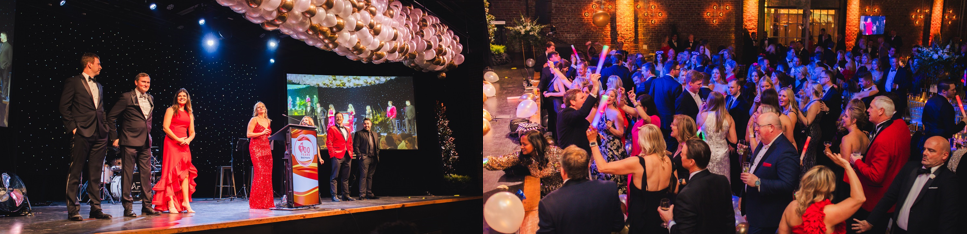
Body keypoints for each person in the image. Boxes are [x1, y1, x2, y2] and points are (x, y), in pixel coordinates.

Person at [851, 136, 960, 234]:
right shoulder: (910, 168)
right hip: (898, 230)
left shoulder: (948, 180)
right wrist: (870, 221)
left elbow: (948, 218)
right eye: (925, 149)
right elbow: (890, 196)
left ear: (944, 155)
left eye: (931, 151)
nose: (925, 153)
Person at [588, 124, 673, 233]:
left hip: (642, 220)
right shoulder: (668, 159)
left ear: (643, 141)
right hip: (661, 218)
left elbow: (602, 167)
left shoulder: (638, 162)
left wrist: (593, 142)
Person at [845, 96, 910, 234]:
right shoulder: (901, 125)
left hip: (875, 200)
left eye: (871, 107)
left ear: (881, 111)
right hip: (894, 193)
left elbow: (876, 176)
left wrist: (857, 162)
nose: (867, 110)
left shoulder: (884, 140)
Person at [60, 53, 112, 221]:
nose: (101, 66)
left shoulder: (100, 86)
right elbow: (64, 107)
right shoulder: (73, 82)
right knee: (76, 171)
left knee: (96, 173)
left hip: (99, 133)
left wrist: (105, 128)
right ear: (89, 64)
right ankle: (73, 209)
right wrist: (73, 128)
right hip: (82, 131)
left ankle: (95, 208)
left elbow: (101, 110)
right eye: (98, 63)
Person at [106, 72, 160, 217]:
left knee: (146, 175)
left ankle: (147, 206)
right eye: (143, 82)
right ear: (136, 82)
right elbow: (111, 117)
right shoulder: (126, 97)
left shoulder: (150, 98)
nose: (146, 85)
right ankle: (128, 207)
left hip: (145, 142)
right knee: (128, 175)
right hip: (129, 141)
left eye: (148, 82)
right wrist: (114, 138)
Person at [536, 145, 624, 234]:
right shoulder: (609, 188)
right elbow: (618, 225)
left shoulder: (548, 203)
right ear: (588, 166)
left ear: (562, 171)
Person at [739, 112, 801, 234]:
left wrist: (758, 182)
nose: (755, 128)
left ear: (771, 127)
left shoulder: (786, 151)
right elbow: (753, 170)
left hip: (767, 217)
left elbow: (787, 185)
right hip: (755, 210)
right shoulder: (763, 143)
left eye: (759, 125)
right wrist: (743, 195)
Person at [657, 138, 735, 234]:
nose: (680, 155)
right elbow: (729, 221)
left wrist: (669, 221)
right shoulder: (722, 181)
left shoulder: (686, 195)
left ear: (691, 162)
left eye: (683, 153)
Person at [777, 153, 866, 234]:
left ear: (805, 182)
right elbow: (859, 198)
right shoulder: (828, 213)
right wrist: (847, 166)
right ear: (829, 188)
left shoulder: (791, 207)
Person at [152, 88, 197, 213]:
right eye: (179, 96)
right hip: (172, 143)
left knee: (185, 174)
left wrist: (188, 140)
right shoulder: (171, 110)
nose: (182, 97)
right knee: (171, 172)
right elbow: (165, 128)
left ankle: (186, 202)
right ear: (176, 98)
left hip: (184, 144)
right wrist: (177, 139)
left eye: (184, 96)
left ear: (187, 98)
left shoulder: (190, 113)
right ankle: (170, 202)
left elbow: (192, 132)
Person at [485, 130, 565, 196]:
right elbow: (501, 161)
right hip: (542, 192)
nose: (521, 147)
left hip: (560, 193)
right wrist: (483, 161)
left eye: (525, 144)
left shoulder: (555, 153)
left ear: (535, 144)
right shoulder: (524, 156)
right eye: (521, 144)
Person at [556, 74, 602, 154]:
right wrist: (595, 89)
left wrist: (596, 135)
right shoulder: (566, 114)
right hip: (572, 158)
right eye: (582, 98)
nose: (584, 100)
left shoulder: (573, 115)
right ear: (572, 102)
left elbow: (585, 127)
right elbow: (583, 112)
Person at [698, 92, 738, 182]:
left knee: (707, 178)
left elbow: (697, 133)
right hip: (722, 152)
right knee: (722, 177)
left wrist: (700, 111)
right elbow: (734, 140)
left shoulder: (703, 115)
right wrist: (725, 133)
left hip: (706, 150)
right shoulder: (729, 118)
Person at [645, 61, 683, 152]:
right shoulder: (676, 85)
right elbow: (678, 106)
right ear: (672, 71)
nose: (679, 71)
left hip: (656, 118)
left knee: (657, 144)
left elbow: (650, 99)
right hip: (670, 120)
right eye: (678, 69)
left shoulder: (655, 81)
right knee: (669, 146)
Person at [246, 101, 274, 209]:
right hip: (256, 148)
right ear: (256, 110)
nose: (261, 108)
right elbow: (248, 134)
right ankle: (256, 203)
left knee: (267, 176)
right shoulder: (254, 120)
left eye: (262, 107)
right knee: (260, 174)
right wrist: (262, 133)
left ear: (265, 109)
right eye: (258, 107)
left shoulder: (268, 121)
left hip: (267, 148)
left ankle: (266, 202)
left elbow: (268, 135)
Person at [797, 85, 828, 175]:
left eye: (807, 88)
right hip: (811, 132)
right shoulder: (813, 101)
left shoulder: (815, 104)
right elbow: (803, 109)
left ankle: (805, 181)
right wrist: (802, 98)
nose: (805, 89)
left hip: (811, 134)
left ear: (813, 91)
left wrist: (797, 111)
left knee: (806, 158)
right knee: (809, 157)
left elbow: (807, 122)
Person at [327, 112, 354, 202]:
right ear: (335, 119)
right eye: (337, 117)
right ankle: (334, 195)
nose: (338, 118)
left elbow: (350, 142)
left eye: (340, 117)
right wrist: (332, 154)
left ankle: (345, 195)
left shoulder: (347, 129)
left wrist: (351, 152)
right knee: (334, 176)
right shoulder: (332, 128)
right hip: (336, 155)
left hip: (347, 155)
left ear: (343, 118)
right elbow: (329, 142)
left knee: (346, 177)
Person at [627, 92, 661, 157]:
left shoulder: (655, 119)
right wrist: (621, 96)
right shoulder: (638, 115)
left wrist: (634, 102)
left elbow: (645, 118)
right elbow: (623, 106)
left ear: (646, 107)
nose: (637, 107)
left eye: (639, 105)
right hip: (636, 154)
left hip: (646, 155)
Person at [353, 118, 380, 200]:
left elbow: (377, 146)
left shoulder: (375, 134)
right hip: (364, 158)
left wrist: (377, 155)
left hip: (374, 158)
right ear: (363, 124)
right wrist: (359, 155)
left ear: (371, 124)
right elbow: (356, 146)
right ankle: (362, 195)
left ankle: (369, 193)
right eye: (365, 123)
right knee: (363, 176)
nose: (366, 125)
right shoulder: (359, 133)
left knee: (370, 176)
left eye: (368, 123)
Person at [670, 115, 699, 189]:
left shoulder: (689, 148)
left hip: (685, 189)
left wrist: (677, 182)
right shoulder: (680, 144)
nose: (670, 126)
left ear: (681, 129)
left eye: (673, 125)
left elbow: (695, 176)